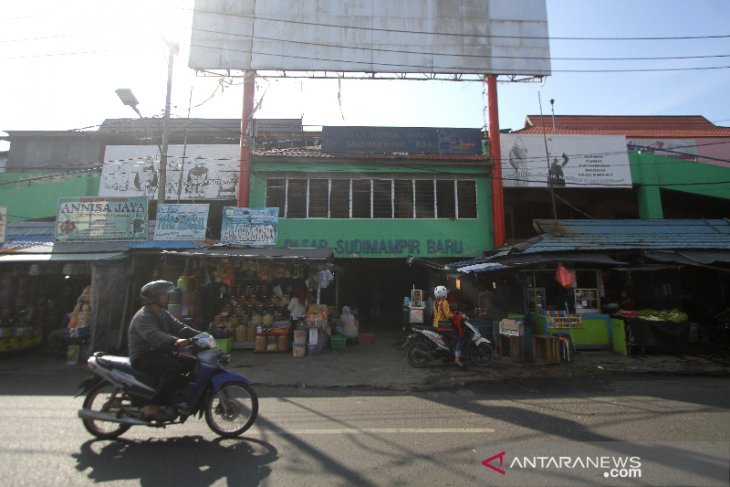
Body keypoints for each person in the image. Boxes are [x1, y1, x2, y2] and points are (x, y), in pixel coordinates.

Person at [128, 280, 200, 419]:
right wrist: (175, 341)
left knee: (191, 363)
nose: (167, 297)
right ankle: (153, 406)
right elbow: (154, 336)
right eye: (164, 295)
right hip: (143, 355)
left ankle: (175, 398)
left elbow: (179, 327)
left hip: (159, 352)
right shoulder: (143, 317)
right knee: (174, 368)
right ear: (154, 298)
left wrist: (200, 335)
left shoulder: (162, 313)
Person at [432, 285, 464, 367]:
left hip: (436, 324)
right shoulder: (444, 302)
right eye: (446, 292)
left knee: (451, 336)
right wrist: (458, 316)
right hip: (443, 324)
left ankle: (448, 354)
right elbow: (448, 314)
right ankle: (457, 359)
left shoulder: (435, 302)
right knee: (459, 339)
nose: (447, 293)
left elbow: (441, 312)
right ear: (442, 293)